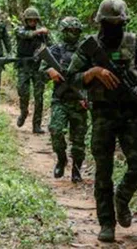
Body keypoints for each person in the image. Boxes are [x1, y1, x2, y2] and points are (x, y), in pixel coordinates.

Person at [66, 0, 137, 243]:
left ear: (124, 22)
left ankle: (122, 198)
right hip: (102, 114)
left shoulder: (133, 42)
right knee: (103, 171)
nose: (113, 27)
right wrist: (94, 72)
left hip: (130, 113)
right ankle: (106, 223)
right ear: (100, 23)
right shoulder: (90, 46)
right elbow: (71, 78)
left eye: (117, 23)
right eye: (108, 23)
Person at [44, 16, 88, 182]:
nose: (72, 34)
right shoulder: (56, 50)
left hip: (79, 100)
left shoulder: (86, 51)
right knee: (56, 130)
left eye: (75, 31)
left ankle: (76, 170)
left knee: (78, 140)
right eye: (69, 31)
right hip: (60, 99)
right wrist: (50, 71)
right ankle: (61, 159)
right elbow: (42, 68)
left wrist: (87, 97)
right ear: (63, 32)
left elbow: (93, 76)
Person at [15, 6, 50, 134]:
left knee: (39, 97)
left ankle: (37, 125)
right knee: (23, 92)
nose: (33, 23)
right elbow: (25, 35)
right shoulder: (20, 30)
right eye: (30, 20)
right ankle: (23, 113)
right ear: (26, 21)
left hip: (37, 67)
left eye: (35, 21)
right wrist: (39, 31)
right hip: (24, 66)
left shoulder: (42, 34)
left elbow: (51, 47)